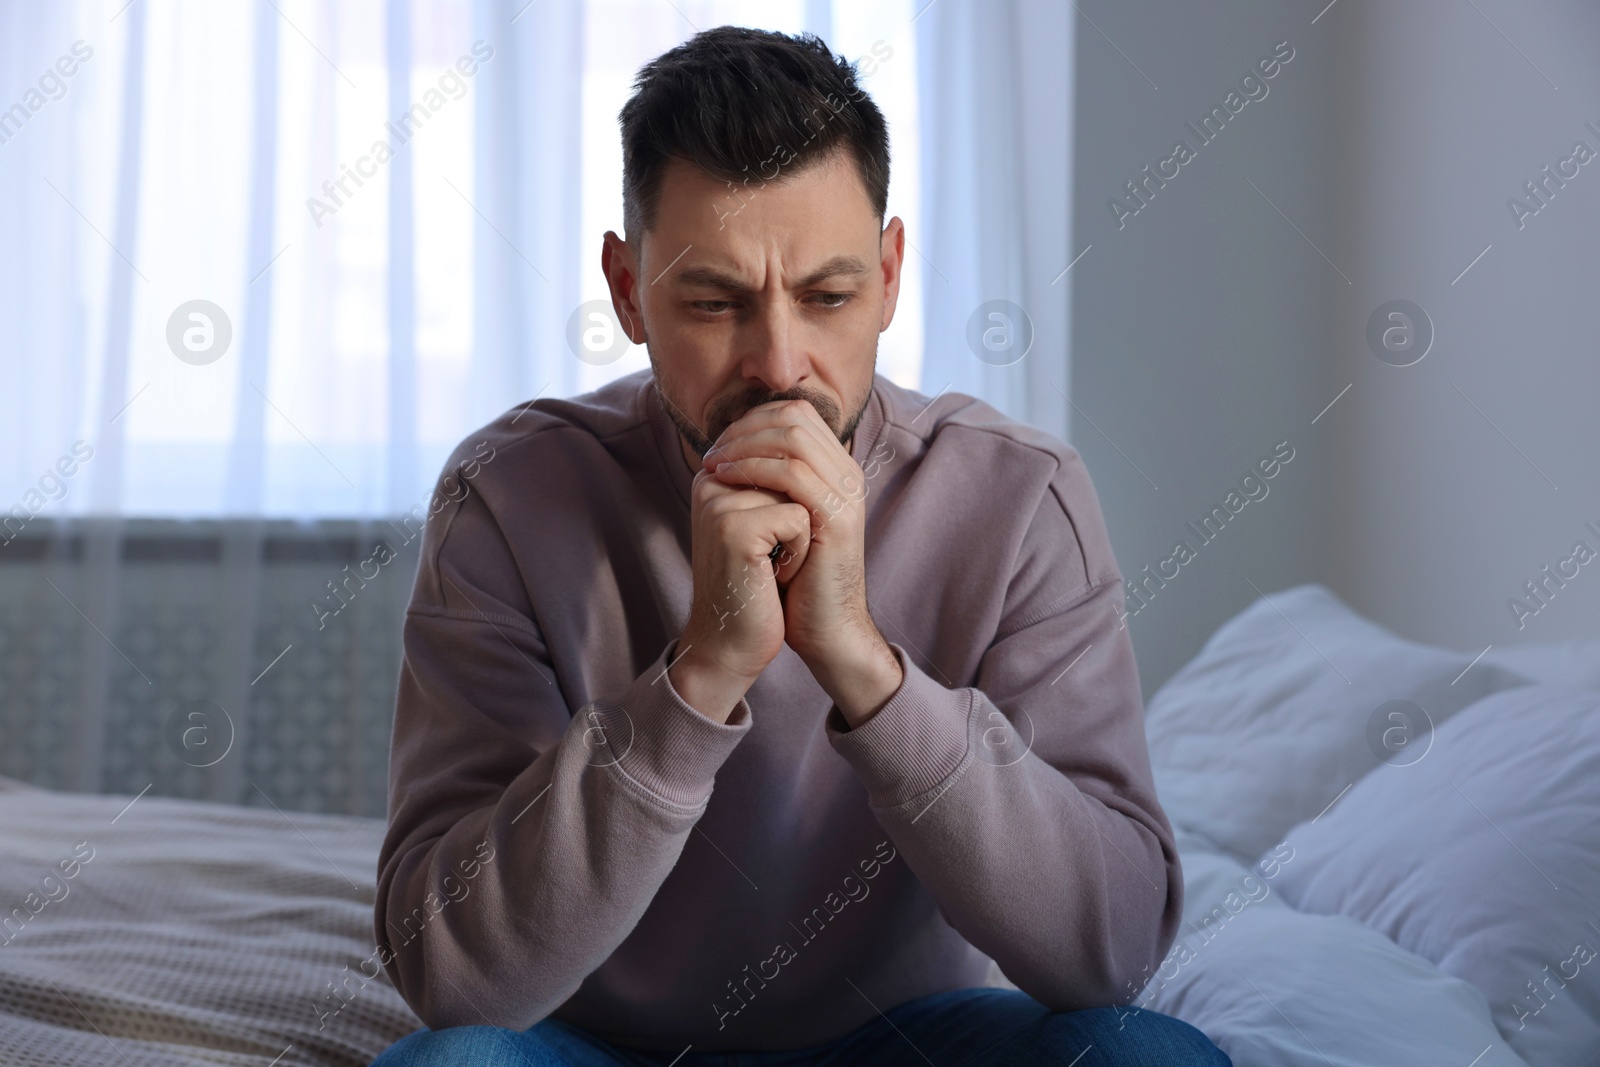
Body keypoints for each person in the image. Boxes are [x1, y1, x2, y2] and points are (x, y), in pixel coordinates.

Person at [369, 24, 1230, 1067]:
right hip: (593, 1045)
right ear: (628, 288)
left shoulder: (1018, 496)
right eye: (713, 301)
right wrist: (701, 676)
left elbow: (1111, 952)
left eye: (828, 297)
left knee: (1150, 1056)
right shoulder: (507, 495)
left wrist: (862, 663)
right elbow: (455, 980)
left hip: (902, 1038)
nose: (781, 364)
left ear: (890, 272)